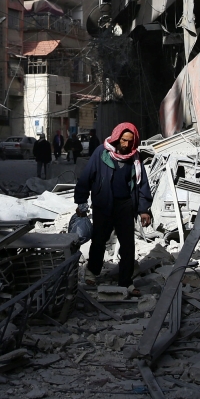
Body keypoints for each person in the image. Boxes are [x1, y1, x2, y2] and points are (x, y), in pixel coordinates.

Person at [74, 122, 152, 289]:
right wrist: (81, 201)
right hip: (103, 204)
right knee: (99, 241)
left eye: (130, 141)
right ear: (117, 137)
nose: (126, 145)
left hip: (125, 205)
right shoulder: (101, 153)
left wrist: (144, 209)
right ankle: (92, 273)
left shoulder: (135, 158)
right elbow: (86, 178)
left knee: (128, 245)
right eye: (123, 140)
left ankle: (125, 281)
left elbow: (142, 184)